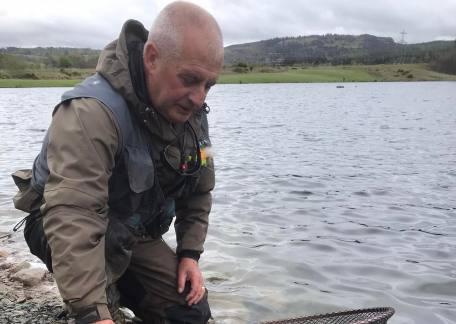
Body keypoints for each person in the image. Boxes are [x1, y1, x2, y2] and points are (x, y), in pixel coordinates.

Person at [11, 1, 223, 323]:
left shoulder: (190, 114)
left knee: (190, 314)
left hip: (131, 231)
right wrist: (92, 313)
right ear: (152, 58)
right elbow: (73, 214)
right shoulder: (90, 113)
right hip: (62, 223)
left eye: (208, 85)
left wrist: (189, 254)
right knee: (99, 310)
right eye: (190, 79)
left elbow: (199, 190)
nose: (199, 97)